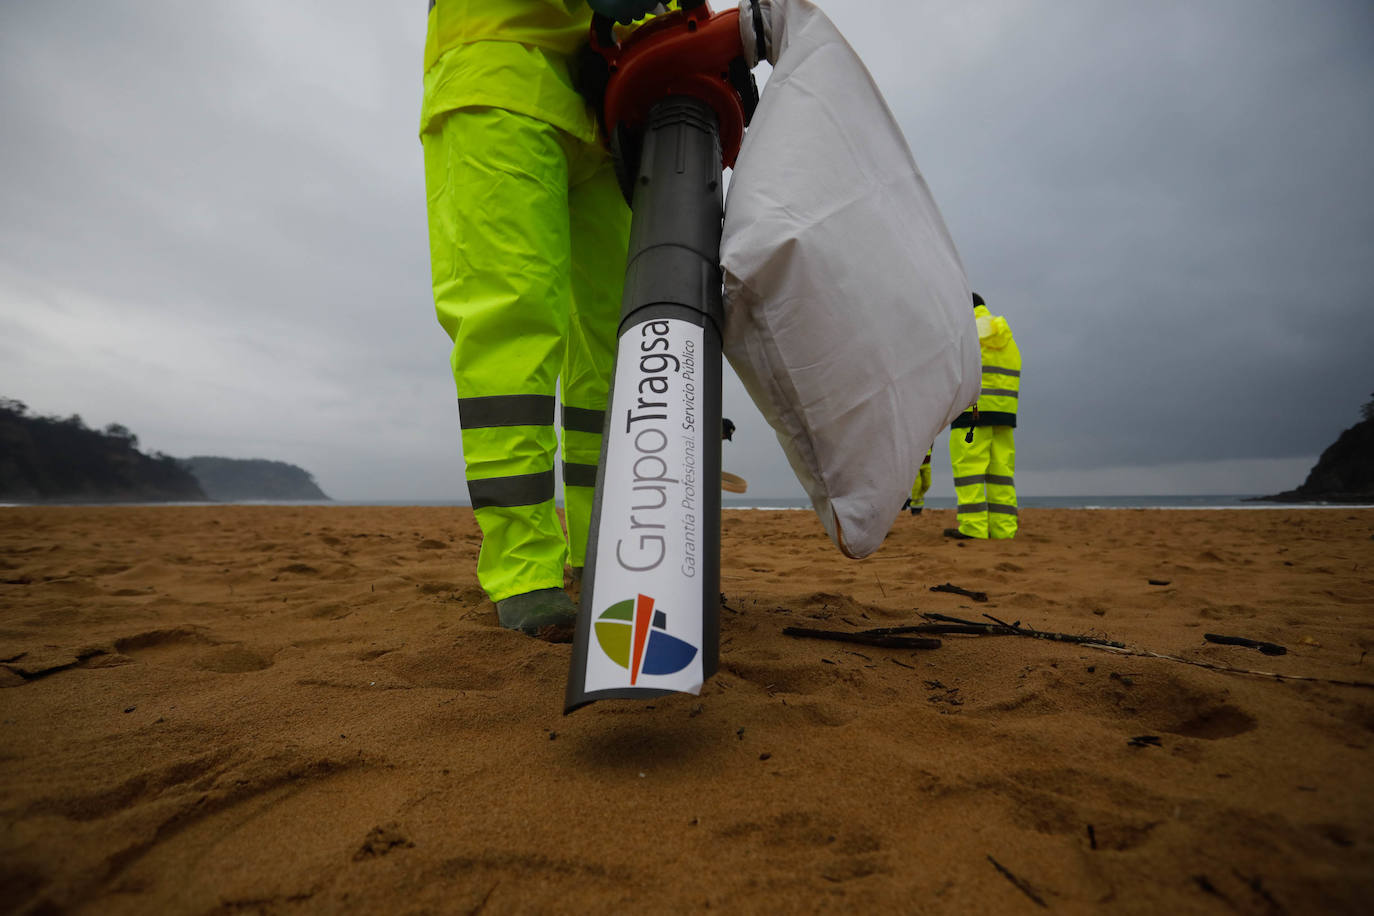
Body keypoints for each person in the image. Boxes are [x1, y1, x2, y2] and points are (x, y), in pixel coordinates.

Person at [420, 0, 660, 634]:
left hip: (609, 107)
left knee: (617, 342)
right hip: (499, 63)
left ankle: (604, 551)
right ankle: (524, 568)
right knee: (511, 323)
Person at [946, 292, 1021, 539]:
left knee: (969, 471)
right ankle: (1004, 529)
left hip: (972, 414)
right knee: (1001, 473)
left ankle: (974, 527)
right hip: (1004, 415)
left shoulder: (967, 334)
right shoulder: (1005, 335)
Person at [904, 449, 932, 515]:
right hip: (915, 464)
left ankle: (911, 500)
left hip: (926, 464)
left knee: (927, 484)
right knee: (917, 485)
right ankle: (915, 506)